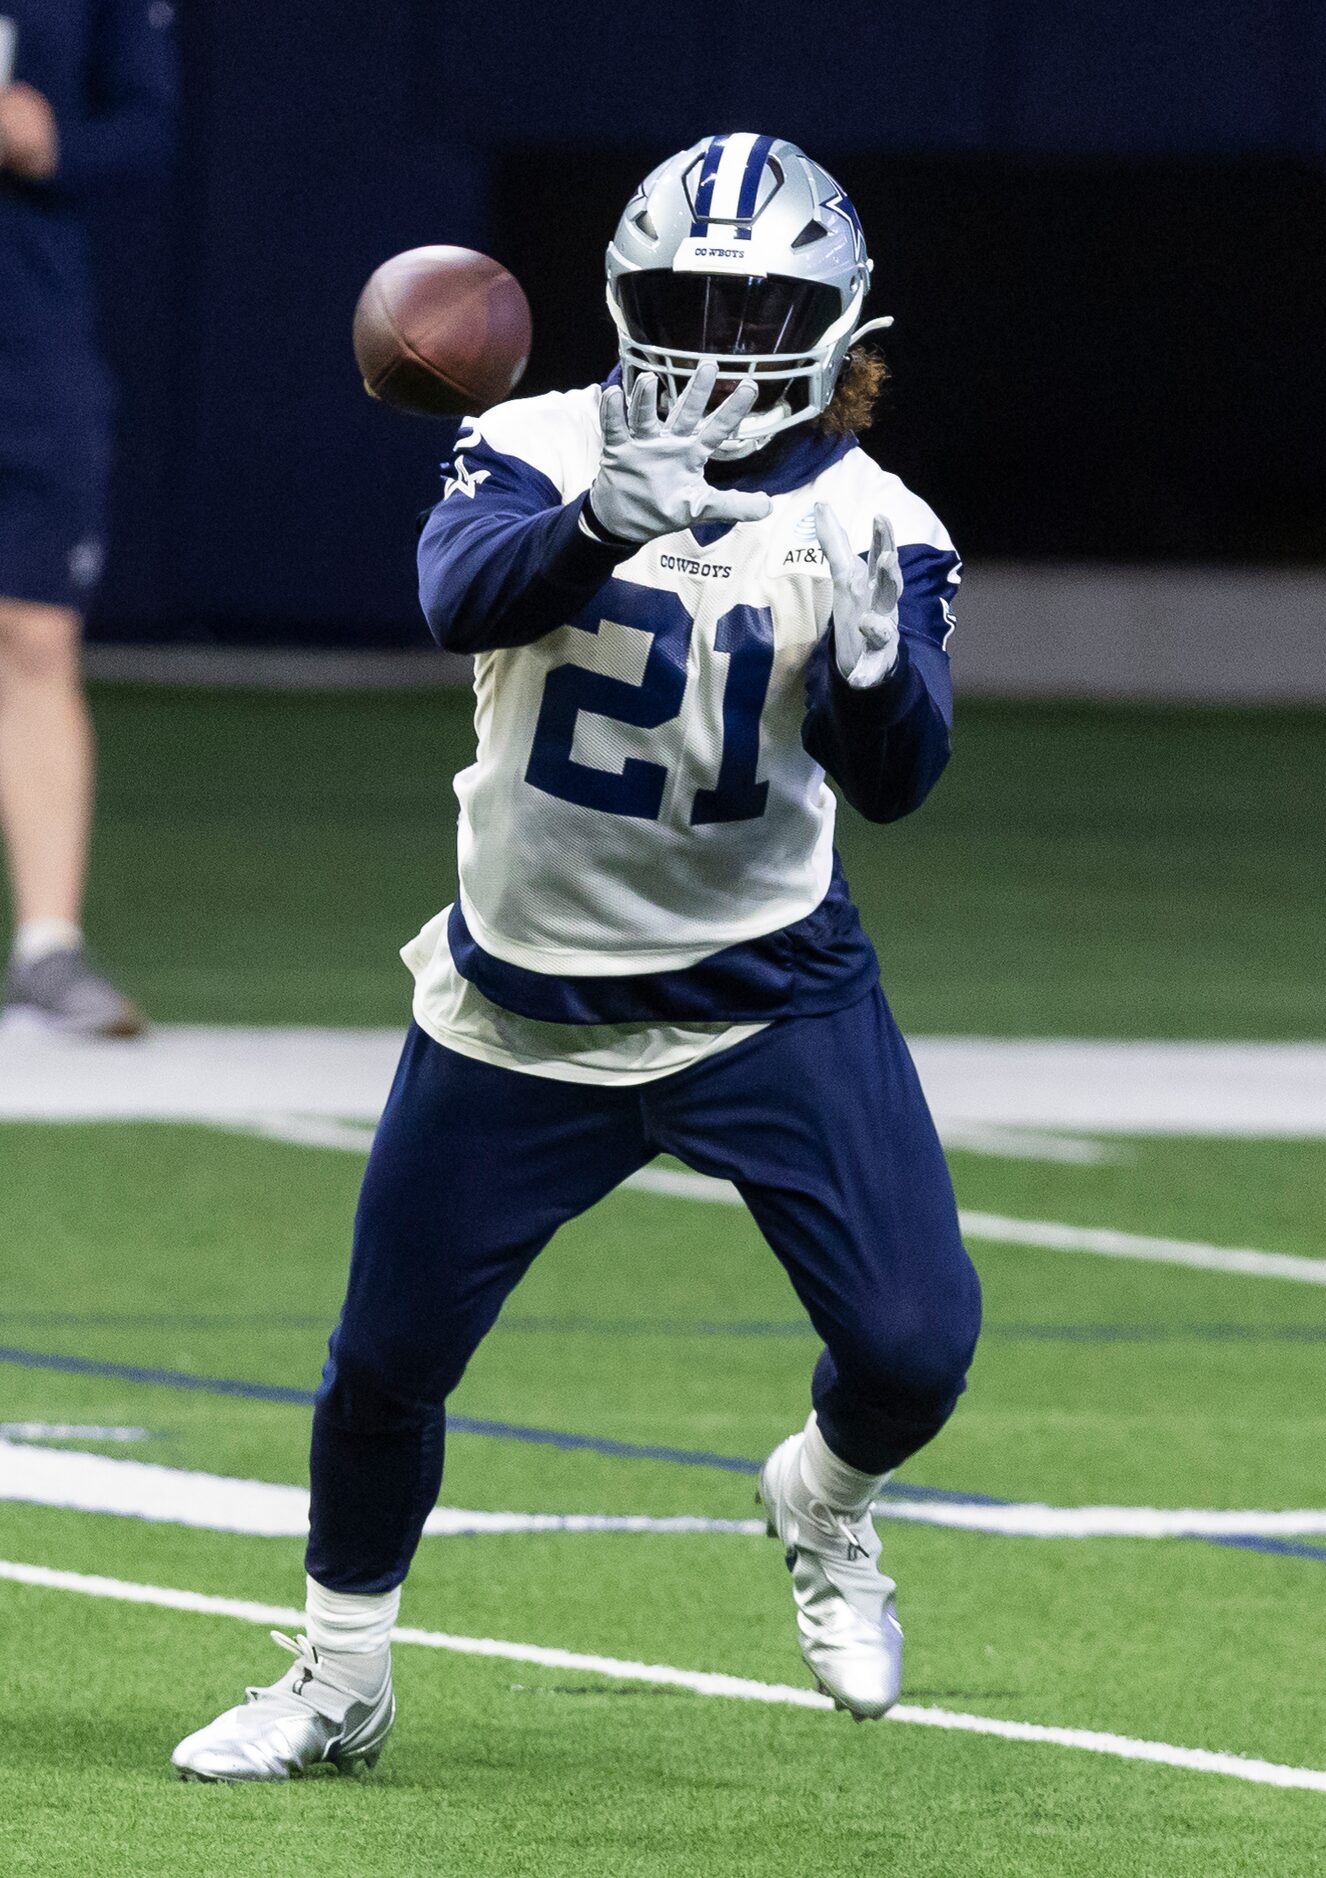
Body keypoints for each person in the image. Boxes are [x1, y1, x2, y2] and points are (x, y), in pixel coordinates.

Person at [172, 132, 982, 1781]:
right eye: (685, 300)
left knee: (914, 1348)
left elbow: (894, 779)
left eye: (754, 310)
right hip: (518, 1005)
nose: (714, 342)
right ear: (619, 299)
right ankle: (340, 1680)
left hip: (761, 994)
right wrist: (596, 523)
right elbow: (459, 598)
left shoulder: (880, 518)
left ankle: (819, 1502)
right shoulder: (538, 441)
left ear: (836, 328)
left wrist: (881, 661)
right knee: (384, 1363)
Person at [0, 1, 175, 1034]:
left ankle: (47, 946)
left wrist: (48, 138)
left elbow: (150, 131)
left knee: (34, 634)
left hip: (31, 332)